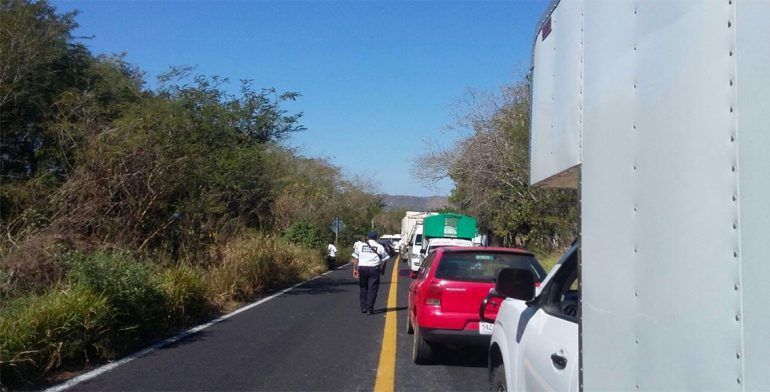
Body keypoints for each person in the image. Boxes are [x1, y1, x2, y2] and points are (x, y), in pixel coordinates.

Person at [352, 231, 390, 315]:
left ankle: (363, 307)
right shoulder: (379, 247)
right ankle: (370, 308)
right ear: (376, 238)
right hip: (374, 269)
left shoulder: (360, 246)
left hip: (362, 268)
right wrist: (383, 269)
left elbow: (355, 258)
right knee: (372, 289)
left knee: (363, 288)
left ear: (368, 237)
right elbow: (385, 259)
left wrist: (355, 269)